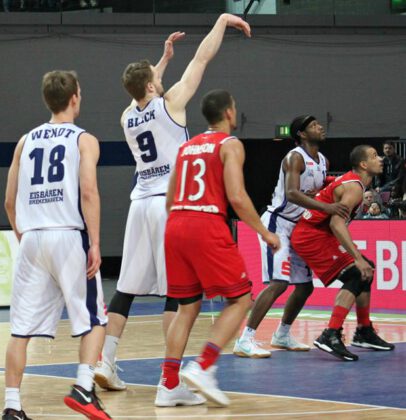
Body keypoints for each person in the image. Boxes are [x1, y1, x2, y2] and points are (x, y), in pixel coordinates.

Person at [96, 15, 252, 405]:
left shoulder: (126, 116)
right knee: (179, 296)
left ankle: (106, 358)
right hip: (172, 204)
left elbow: (140, 91)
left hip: (139, 203)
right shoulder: (173, 104)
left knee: (126, 289)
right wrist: (221, 23)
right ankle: (172, 381)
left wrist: (161, 61)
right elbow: (201, 59)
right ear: (151, 85)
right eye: (156, 76)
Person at [160, 89, 280, 407]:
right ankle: (203, 366)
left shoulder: (185, 148)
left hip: (175, 225)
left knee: (186, 307)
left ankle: (168, 385)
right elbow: (237, 197)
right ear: (228, 112)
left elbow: (170, 200)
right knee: (241, 299)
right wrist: (264, 232)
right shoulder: (230, 145)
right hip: (205, 222)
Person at [2, 71, 110, 420]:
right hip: (68, 234)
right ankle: (83, 388)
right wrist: (94, 242)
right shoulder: (84, 140)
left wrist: (25, 235)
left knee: (20, 330)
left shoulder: (25, 140)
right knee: (95, 318)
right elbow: (89, 192)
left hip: (32, 238)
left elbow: (8, 200)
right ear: (75, 97)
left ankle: (12, 407)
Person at [234, 116, 349, 358]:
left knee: (305, 287)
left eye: (319, 123)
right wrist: (327, 208)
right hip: (278, 223)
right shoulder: (295, 157)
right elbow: (293, 193)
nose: (320, 127)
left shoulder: (324, 161)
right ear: (302, 134)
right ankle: (245, 339)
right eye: (314, 125)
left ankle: (283, 334)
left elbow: (316, 191)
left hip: (299, 227)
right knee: (278, 283)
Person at [291, 145, 394, 361]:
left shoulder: (352, 182)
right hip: (312, 236)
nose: (381, 159)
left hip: (319, 233)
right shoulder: (355, 188)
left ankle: (364, 331)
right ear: (364, 165)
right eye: (375, 156)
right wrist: (356, 258)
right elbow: (337, 224)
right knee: (357, 271)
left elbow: (333, 186)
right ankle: (330, 334)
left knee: (367, 268)